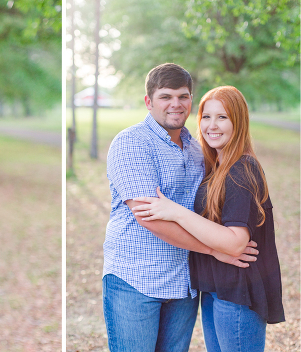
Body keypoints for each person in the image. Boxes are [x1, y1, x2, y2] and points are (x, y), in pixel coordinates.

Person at [103, 63, 258, 351]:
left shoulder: (197, 148)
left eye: (183, 96)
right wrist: (214, 249)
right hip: (136, 280)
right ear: (149, 102)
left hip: (184, 283)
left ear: (190, 100)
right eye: (166, 97)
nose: (176, 104)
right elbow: (150, 218)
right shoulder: (131, 143)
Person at [131, 85, 284, 351]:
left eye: (222, 117)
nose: (212, 126)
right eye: (206, 116)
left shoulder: (242, 169)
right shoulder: (217, 167)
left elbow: (236, 243)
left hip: (238, 294)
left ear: (239, 121)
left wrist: (177, 212)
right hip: (216, 291)